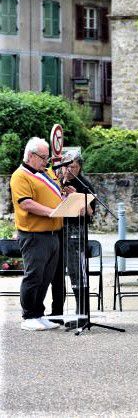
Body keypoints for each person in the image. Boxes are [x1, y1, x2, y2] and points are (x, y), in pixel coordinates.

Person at [10, 137, 63, 331]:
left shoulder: (47, 173)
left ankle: (39, 313)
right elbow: (26, 203)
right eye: (43, 157)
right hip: (34, 234)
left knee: (46, 276)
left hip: (53, 233)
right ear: (31, 156)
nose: (46, 161)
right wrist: (51, 211)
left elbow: (57, 194)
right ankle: (29, 315)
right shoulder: (20, 176)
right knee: (34, 276)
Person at [60, 151, 96, 329]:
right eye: (66, 166)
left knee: (77, 275)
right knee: (57, 276)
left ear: (79, 167)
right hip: (56, 232)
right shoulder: (56, 181)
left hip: (76, 234)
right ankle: (55, 314)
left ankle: (82, 316)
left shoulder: (84, 185)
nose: (69, 170)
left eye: (73, 166)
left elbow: (90, 213)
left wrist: (77, 199)